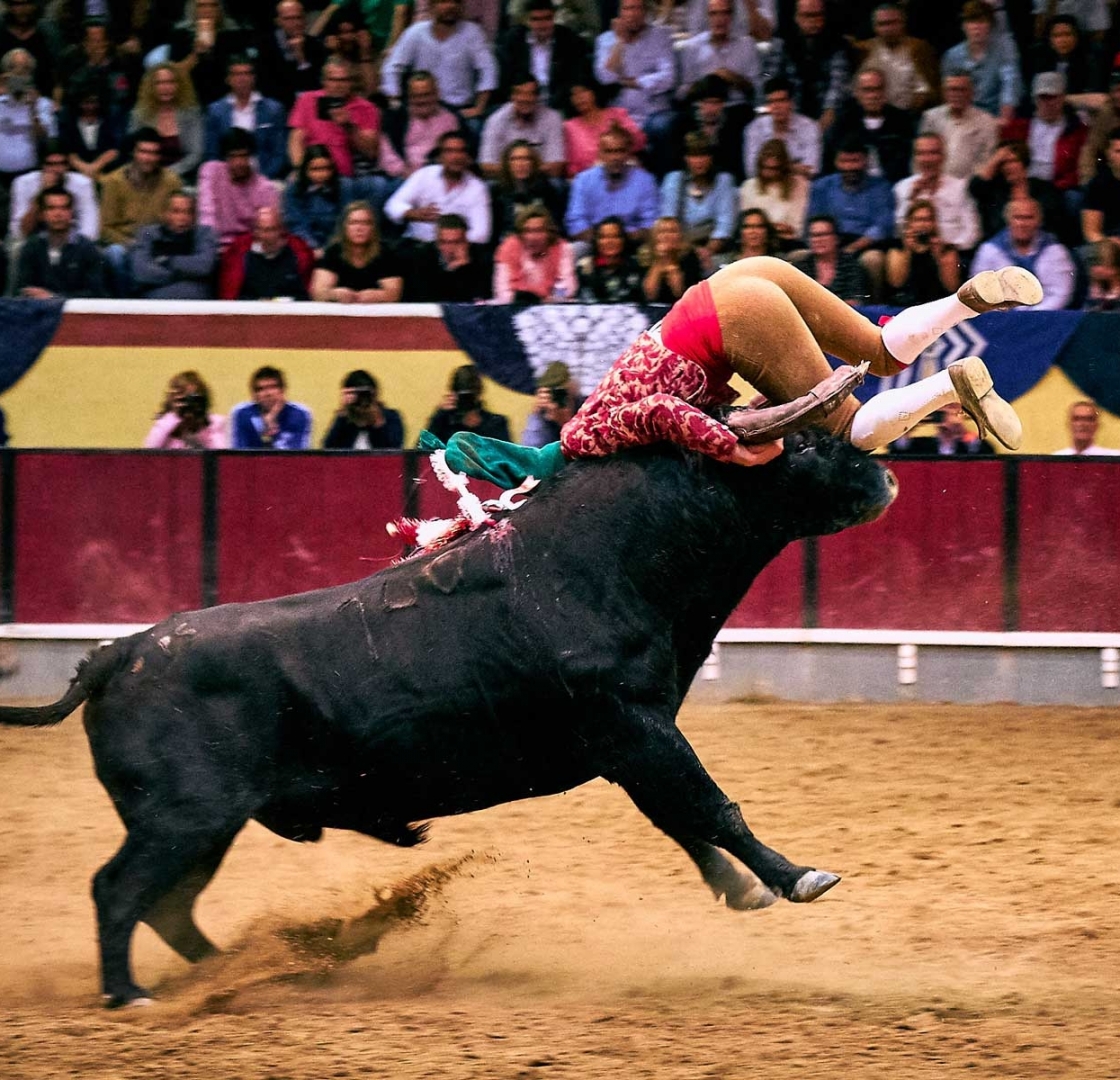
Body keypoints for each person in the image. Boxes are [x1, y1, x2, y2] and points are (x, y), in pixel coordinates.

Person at [431, 258, 1043, 493]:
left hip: (731, 320)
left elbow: (657, 413)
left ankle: (951, 384)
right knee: (879, 348)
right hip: (735, 280)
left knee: (845, 430)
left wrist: (732, 451)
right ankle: (965, 301)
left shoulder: (579, 444)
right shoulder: (585, 423)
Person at [592, 0, 676, 173]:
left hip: (654, 112)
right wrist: (620, 42)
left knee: (663, 126)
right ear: (620, 12)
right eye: (628, 8)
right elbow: (605, 77)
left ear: (645, 12)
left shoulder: (661, 36)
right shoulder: (606, 40)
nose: (633, 13)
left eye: (638, 8)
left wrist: (632, 82)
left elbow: (668, 77)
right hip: (619, 115)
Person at [99, 127, 184, 294]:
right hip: (127, 243)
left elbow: (178, 219)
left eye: (154, 153)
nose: (148, 158)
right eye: (143, 152)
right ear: (133, 153)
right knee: (114, 254)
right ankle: (124, 305)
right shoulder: (113, 182)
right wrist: (133, 244)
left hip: (159, 244)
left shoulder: (171, 181)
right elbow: (105, 228)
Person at [380, 0, 498, 120]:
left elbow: (488, 69)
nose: (450, 6)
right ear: (431, 6)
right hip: (421, 108)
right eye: (443, 2)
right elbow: (392, 67)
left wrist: (479, 108)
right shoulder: (415, 32)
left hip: (459, 111)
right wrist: (394, 101)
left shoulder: (473, 33)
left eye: (455, 2)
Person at [806, 138, 894, 295]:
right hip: (829, 239)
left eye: (855, 161)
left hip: (866, 244)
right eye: (844, 161)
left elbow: (883, 226)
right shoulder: (822, 186)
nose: (849, 167)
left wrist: (852, 248)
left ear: (865, 161)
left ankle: (873, 308)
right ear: (836, 162)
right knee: (797, 256)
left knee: (873, 259)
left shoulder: (881, 187)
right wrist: (830, 244)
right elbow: (813, 220)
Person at [383, 129, 492, 245]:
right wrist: (412, 213)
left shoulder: (477, 188)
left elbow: (481, 234)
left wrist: (449, 240)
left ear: (468, 157)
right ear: (440, 157)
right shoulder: (424, 174)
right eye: (449, 151)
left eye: (461, 151)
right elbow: (391, 205)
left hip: (455, 249)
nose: (456, 157)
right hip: (416, 245)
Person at [969, 197, 1077, 310]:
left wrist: (1029, 318)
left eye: (1028, 218)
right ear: (1008, 219)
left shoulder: (1055, 251)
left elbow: (1060, 294)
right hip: (1001, 319)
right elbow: (980, 293)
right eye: (1017, 217)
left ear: (1039, 221)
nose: (1022, 223)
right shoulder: (989, 250)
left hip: (1045, 318)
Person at [287, 56, 380, 179]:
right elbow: (296, 140)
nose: (338, 85)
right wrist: (300, 169)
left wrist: (349, 126)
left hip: (345, 176)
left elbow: (371, 152)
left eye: (343, 80)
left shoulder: (366, 108)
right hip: (310, 170)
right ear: (323, 81)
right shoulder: (307, 100)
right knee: (292, 185)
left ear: (351, 82)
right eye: (332, 80)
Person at [659, 131, 737, 273]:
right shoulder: (674, 180)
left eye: (703, 155)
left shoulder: (724, 181)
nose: (699, 161)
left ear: (711, 157)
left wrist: (707, 251)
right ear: (686, 158)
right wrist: (690, 251)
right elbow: (668, 222)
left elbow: (725, 225)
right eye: (694, 155)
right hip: (680, 247)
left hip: (714, 248)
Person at [565, 126, 659, 244]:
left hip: (632, 243)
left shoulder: (645, 181)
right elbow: (575, 221)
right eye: (609, 151)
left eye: (620, 151)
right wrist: (602, 240)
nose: (615, 157)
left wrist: (621, 239)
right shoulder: (583, 180)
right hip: (593, 241)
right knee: (576, 249)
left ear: (629, 152)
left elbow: (650, 223)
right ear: (600, 153)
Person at [14, 185, 109, 298]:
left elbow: (95, 294)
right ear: (42, 214)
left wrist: (54, 297)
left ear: (71, 213)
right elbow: (22, 290)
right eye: (51, 208)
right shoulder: (31, 247)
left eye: (64, 208)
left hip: (75, 312)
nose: (58, 214)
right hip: (37, 311)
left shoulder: (87, 248)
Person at [893, 133, 982, 254]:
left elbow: (972, 231)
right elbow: (897, 232)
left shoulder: (960, 187)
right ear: (915, 158)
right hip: (914, 253)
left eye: (933, 153)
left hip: (952, 253)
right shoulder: (902, 187)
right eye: (921, 153)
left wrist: (949, 247)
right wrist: (910, 200)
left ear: (943, 156)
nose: (927, 159)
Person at [203, 54, 288, 179]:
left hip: (265, 177)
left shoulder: (273, 110)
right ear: (228, 79)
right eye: (236, 74)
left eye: (246, 73)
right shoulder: (215, 111)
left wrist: (262, 180)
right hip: (227, 179)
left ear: (253, 77)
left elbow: (279, 154)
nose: (242, 78)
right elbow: (212, 154)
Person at [824, 65, 914, 184]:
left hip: (894, 187)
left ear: (885, 91)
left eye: (878, 89)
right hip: (852, 189)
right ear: (856, 93)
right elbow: (830, 164)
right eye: (867, 90)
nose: (873, 96)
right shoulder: (843, 123)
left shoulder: (902, 121)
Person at [497, 0, 590, 112]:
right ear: (527, 21)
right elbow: (507, 80)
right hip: (521, 103)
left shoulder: (568, 39)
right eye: (536, 19)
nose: (542, 24)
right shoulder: (513, 40)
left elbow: (574, 79)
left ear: (553, 18)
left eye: (547, 18)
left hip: (557, 106)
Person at [969, 138, 1069, 242]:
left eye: (1013, 161)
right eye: (1003, 163)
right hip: (1001, 247)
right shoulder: (994, 191)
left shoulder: (1043, 188)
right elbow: (974, 188)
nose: (1007, 167)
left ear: (1024, 163)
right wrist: (995, 159)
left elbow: (1055, 223)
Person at [197, 127, 280, 250]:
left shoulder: (264, 188)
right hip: (214, 246)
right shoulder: (211, 171)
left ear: (251, 157)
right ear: (225, 157)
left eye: (243, 156)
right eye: (233, 156)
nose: (239, 162)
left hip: (248, 248)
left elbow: (268, 231)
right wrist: (212, 245)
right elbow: (206, 213)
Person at [940, 0, 1022, 123]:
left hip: (994, 115)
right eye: (971, 22)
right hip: (962, 114)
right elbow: (948, 92)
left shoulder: (1004, 52)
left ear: (991, 26)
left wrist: (1004, 118)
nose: (976, 27)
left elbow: (1010, 85)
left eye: (982, 21)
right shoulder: (952, 56)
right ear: (963, 26)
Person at [851, 2, 939, 115]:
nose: (888, 29)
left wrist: (906, 114)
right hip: (870, 114)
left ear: (903, 23)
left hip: (908, 115)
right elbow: (855, 90)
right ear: (874, 27)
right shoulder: (863, 51)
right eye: (882, 24)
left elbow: (925, 90)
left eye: (893, 23)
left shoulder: (918, 49)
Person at [130, 190, 220, 299]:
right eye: (176, 212)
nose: (183, 218)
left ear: (195, 216)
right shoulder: (148, 233)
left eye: (188, 212)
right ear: (164, 214)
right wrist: (186, 273)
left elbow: (204, 266)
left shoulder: (204, 233)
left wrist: (167, 261)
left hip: (195, 302)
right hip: (156, 303)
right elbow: (141, 272)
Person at [775, 0, 850, 129]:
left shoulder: (837, 44)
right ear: (796, 17)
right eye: (807, 15)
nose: (813, 20)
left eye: (817, 15)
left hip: (825, 111)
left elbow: (837, 83)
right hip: (790, 110)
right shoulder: (783, 43)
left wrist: (828, 112)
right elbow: (770, 79)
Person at [310, 200, 405, 302]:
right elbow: (317, 292)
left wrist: (377, 295)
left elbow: (394, 294)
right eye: (353, 223)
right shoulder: (333, 252)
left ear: (373, 228)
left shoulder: (385, 253)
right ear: (344, 227)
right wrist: (335, 294)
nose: (359, 228)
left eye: (365, 223)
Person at [8, 139, 99, 244]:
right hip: (33, 241)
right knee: (17, 246)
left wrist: (69, 248)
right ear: (42, 165)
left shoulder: (83, 184)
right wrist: (42, 193)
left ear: (68, 165)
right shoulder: (23, 183)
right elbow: (18, 232)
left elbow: (90, 229)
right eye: (51, 164)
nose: (56, 169)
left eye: (61, 163)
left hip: (73, 242)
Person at [676, 0, 762, 108]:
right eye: (714, 13)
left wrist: (732, 77)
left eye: (725, 13)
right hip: (702, 109)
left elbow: (757, 91)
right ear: (707, 17)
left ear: (732, 16)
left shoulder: (747, 45)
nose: (720, 19)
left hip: (736, 107)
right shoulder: (692, 47)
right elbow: (681, 95)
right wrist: (707, 82)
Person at [127, 62, 204, 181]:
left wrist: (167, 175)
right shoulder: (139, 115)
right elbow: (131, 151)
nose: (165, 87)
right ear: (151, 87)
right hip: (145, 178)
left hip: (182, 177)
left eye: (170, 82)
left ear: (179, 85)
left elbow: (195, 154)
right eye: (160, 83)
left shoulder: (191, 114)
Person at [478, 75, 566, 180]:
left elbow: (556, 166)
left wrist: (525, 170)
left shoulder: (552, 118)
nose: (525, 98)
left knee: (556, 183)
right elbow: (486, 166)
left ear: (537, 97)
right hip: (506, 181)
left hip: (540, 180)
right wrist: (519, 171)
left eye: (531, 94)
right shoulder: (495, 120)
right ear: (512, 97)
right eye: (520, 93)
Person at [917, 71, 1001, 180]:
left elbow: (986, 162)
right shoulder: (930, 118)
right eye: (952, 89)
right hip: (933, 183)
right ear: (944, 93)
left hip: (970, 187)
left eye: (962, 90)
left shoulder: (987, 122)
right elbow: (919, 156)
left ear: (972, 93)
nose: (956, 94)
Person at [217, 204, 314, 299]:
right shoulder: (239, 253)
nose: (267, 235)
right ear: (254, 232)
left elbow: (304, 294)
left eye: (272, 229)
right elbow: (230, 294)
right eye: (262, 230)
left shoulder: (298, 253)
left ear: (282, 230)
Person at [168, 0, 252, 107]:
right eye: (202, 6)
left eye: (214, 5)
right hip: (190, 95)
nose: (208, 10)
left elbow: (241, 71)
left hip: (226, 98)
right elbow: (174, 74)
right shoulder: (180, 35)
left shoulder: (234, 35)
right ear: (192, 9)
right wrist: (195, 54)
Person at [562, 76, 645, 178]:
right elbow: (572, 167)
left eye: (584, 91)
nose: (579, 97)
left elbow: (640, 143)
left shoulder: (617, 114)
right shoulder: (569, 126)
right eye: (574, 94)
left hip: (623, 169)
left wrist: (622, 132)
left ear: (594, 92)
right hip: (590, 178)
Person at [492, 202, 575, 302]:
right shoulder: (507, 248)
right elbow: (502, 291)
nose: (533, 237)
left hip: (551, 307)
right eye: (528, 231)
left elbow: (568, 287)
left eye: (539, 230)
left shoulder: (561, 248)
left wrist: (551, 300)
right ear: (520, 234)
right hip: (516, 307)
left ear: (549, 233)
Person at [282, 143, 354, 259]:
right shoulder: (294, 189)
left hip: (337, 244)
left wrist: (329, 249)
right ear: (305, 170)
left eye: (326, 168)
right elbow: (296, 224)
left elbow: (345, 220)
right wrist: (313, 246)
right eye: (315, 169)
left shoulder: (344, 186)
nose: (322, 174)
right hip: (306, 244)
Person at [743, 77, 821, 180]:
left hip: (797, 186)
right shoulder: (754, 128)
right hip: (764, 186)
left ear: (792, 103)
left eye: (781, 100)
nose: (776, 106)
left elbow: (812, 170)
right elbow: (751, 171)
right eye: (771, 102)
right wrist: (793, 167)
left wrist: (770, 167)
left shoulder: (810, 127)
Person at [254, 0, 329, 108]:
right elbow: (266, 85)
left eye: (298, 18)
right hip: (277, 107)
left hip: (310, 107)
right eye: (288, 19)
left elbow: (316, 85)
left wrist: (301, 58)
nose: (295, 23)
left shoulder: (315, 45)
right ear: (278, 21)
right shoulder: (265, 45)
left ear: (305, 20)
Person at [885, 198, 961, 305]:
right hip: (904, 304)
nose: (923, 224)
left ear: (934, 222)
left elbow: (952, 286)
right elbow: (896, 283)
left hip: (937, 304)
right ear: (909, 222)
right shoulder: (898, 248)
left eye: (928, 219)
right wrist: (907, 251)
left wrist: (938, 257)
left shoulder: (946, 250)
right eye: (918, 220)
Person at [488, 138, 566, 239]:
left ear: (534, 163)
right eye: (514, 159)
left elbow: (555, 226)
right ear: (507, 164)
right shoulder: (497, 192)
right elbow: (495, 232)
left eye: (526, 159)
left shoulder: (547, 189)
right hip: (509, 242)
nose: (520, 164)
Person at [404, 212, 492, 300]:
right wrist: (450, 271)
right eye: (444, 242)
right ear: (437, 242)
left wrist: (465, 269)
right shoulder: (423, 257)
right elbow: (427, 297)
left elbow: (480, 298)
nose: (450, 248)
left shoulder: (482, 257)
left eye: (457, 242)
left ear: (466, 241)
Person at [738, 137, 809, 247]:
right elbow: (748, 224)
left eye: (774, 168)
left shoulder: (799, 185)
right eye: (765, 167)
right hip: (756, 242)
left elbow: (795, 228)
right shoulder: (749, 186)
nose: (768, 172)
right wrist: (773, 228)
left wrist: (766, 227)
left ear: (783, 168)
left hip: (788, 243)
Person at [789, 214, 871, 305]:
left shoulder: (852, 267)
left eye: (823, 235)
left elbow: (856, 302)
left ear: (836, 238)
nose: (818, 240)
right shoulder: (801, 267)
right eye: (813, 235)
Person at [425, 363, 511, 443]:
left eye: (470, 396)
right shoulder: (443, 425)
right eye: (463, 396)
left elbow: (508, 457)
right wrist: (438, 417)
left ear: (479, 394)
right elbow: (419, 454)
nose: (466, 401)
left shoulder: (496, 424)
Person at [230, 365, 313, 448]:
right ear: (254, 395)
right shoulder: (242, 414)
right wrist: (265, 427)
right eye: (261, 389)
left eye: (273, 387)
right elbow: (239, 453)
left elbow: (298, 455)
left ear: (283, 390)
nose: (268, 393)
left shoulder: (300, 414)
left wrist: (271, 420)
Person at [144, 370, 228, 449]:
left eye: (193, 398)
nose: (188, 405)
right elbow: (149, 451)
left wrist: (202, 424)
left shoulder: (215, 423)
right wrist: (176, 416)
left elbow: (221, 455)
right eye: (183, 399)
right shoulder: (165, 425)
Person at [322, 369, 404, 448]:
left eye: (364, 395)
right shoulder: (345, 419)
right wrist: (343, 417)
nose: (362, 400)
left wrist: (377, 423)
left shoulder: (391, 417)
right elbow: (328, 450)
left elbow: (393, 452)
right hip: (348, 462)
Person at [575, 214, 644, 300]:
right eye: (603, 237)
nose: (609, 241)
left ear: (624, 240)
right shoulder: (585, 268)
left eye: (615, 236)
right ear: (596, 241)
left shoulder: (636, 266)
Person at [889, 401, 995, 455]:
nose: (946, 419)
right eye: (942, 414)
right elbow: (898, 449)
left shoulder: (968, 445)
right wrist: (910, 425)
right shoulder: (922, 445)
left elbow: (988, 454)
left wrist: (962, 432)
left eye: (952, 414)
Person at [521, 360, 579, 446]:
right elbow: (531, 450)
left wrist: (565, 422)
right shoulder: (542, 413)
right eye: (554, 393)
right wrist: (537, 415)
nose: (558, 398)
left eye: (561, 393)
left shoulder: (587, 406)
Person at [1054, 400, 1118, 455]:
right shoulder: (1055, 460)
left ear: (1097, 425)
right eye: (1077, 419)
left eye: (1089, 419)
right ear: (1068, 424)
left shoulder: (1113, 459)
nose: (1083, 424)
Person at [1081, 239, 1120, 310]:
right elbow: (1087, 312)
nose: (1093, 268)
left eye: (1099, 263)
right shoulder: (1098, 288)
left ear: (1114, 269)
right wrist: (1095, 285)